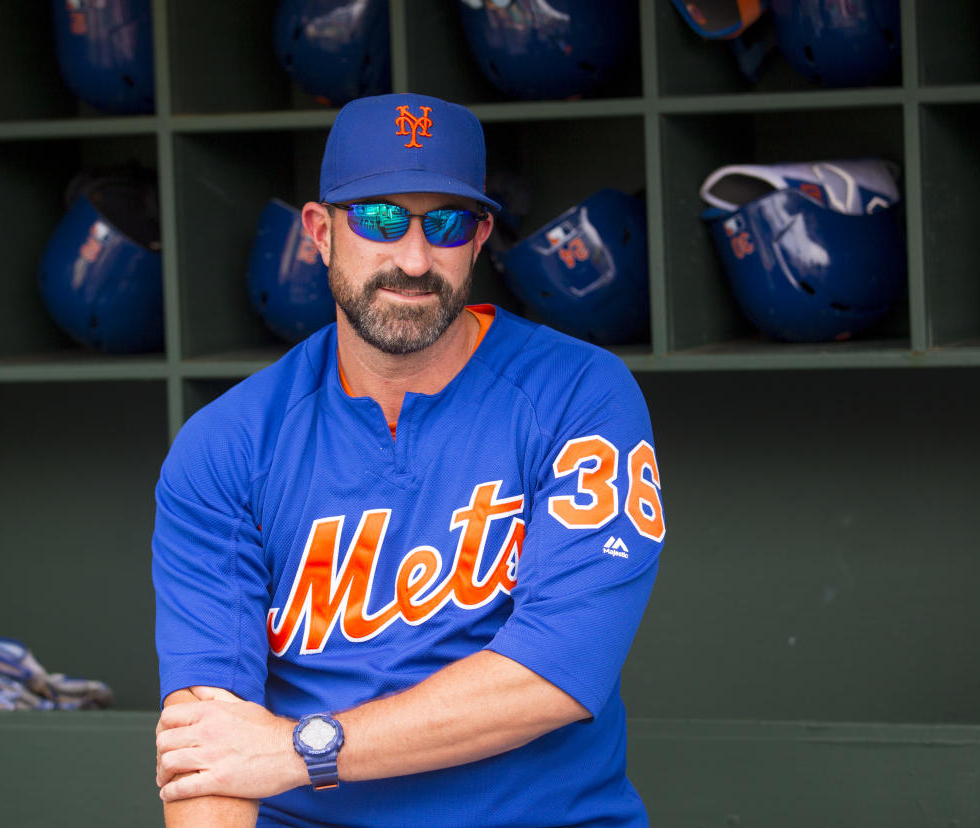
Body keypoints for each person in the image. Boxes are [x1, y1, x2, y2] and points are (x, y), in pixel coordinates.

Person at [151, 91, 667, 828]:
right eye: (380, 218)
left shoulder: (577, 394)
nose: (414, 258)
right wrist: (262, 758)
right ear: (320, 232)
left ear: (482, 235)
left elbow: (554, 675)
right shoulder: (229, 442)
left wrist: (304, 750)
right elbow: (211, 741)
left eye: (447, 224)